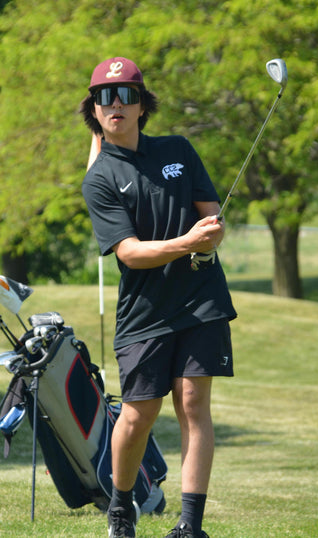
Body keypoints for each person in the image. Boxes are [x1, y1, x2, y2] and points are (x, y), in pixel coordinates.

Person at [80, 57, 237, 538]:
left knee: (193, 402)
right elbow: (129, 254)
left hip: (200, 299)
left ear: (143, 105)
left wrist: (210, 232)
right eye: (106, 98)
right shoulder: (100, 178)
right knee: (139, 412)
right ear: (95, 110)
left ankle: (191, 525)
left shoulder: (179, 150)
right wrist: (188, 242)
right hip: (144, 312)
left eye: (127, 95)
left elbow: (210, 214)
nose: (117, 105)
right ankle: (121, 506)